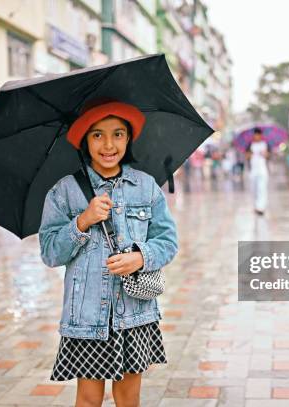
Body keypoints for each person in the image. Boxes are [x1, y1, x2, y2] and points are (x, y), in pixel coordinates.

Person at [39, 100, 178, 407]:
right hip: (87, 316)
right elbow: (50, 252)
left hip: (135, 314)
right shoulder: (64, 192)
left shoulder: (146, 187)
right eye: (98, 135)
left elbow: (168, 241)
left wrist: (140, 257)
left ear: (128, 139)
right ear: (85, 141)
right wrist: (82, 221)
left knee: (129, 398)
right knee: (89, 399)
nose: (108, 144)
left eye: (117, 134)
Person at [246, 127, 270, 215]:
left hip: (263, 170)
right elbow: (246, 156)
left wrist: (264, 154)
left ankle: (261, 207)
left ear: (260, 135)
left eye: (258, 135)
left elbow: (268, 155)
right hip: (253, 170)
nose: (256, 136)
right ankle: (256, 206)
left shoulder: (265, 144)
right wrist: (250, 154)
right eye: (255, 135)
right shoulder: (250, 145)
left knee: (262, 188)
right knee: (254, 189)